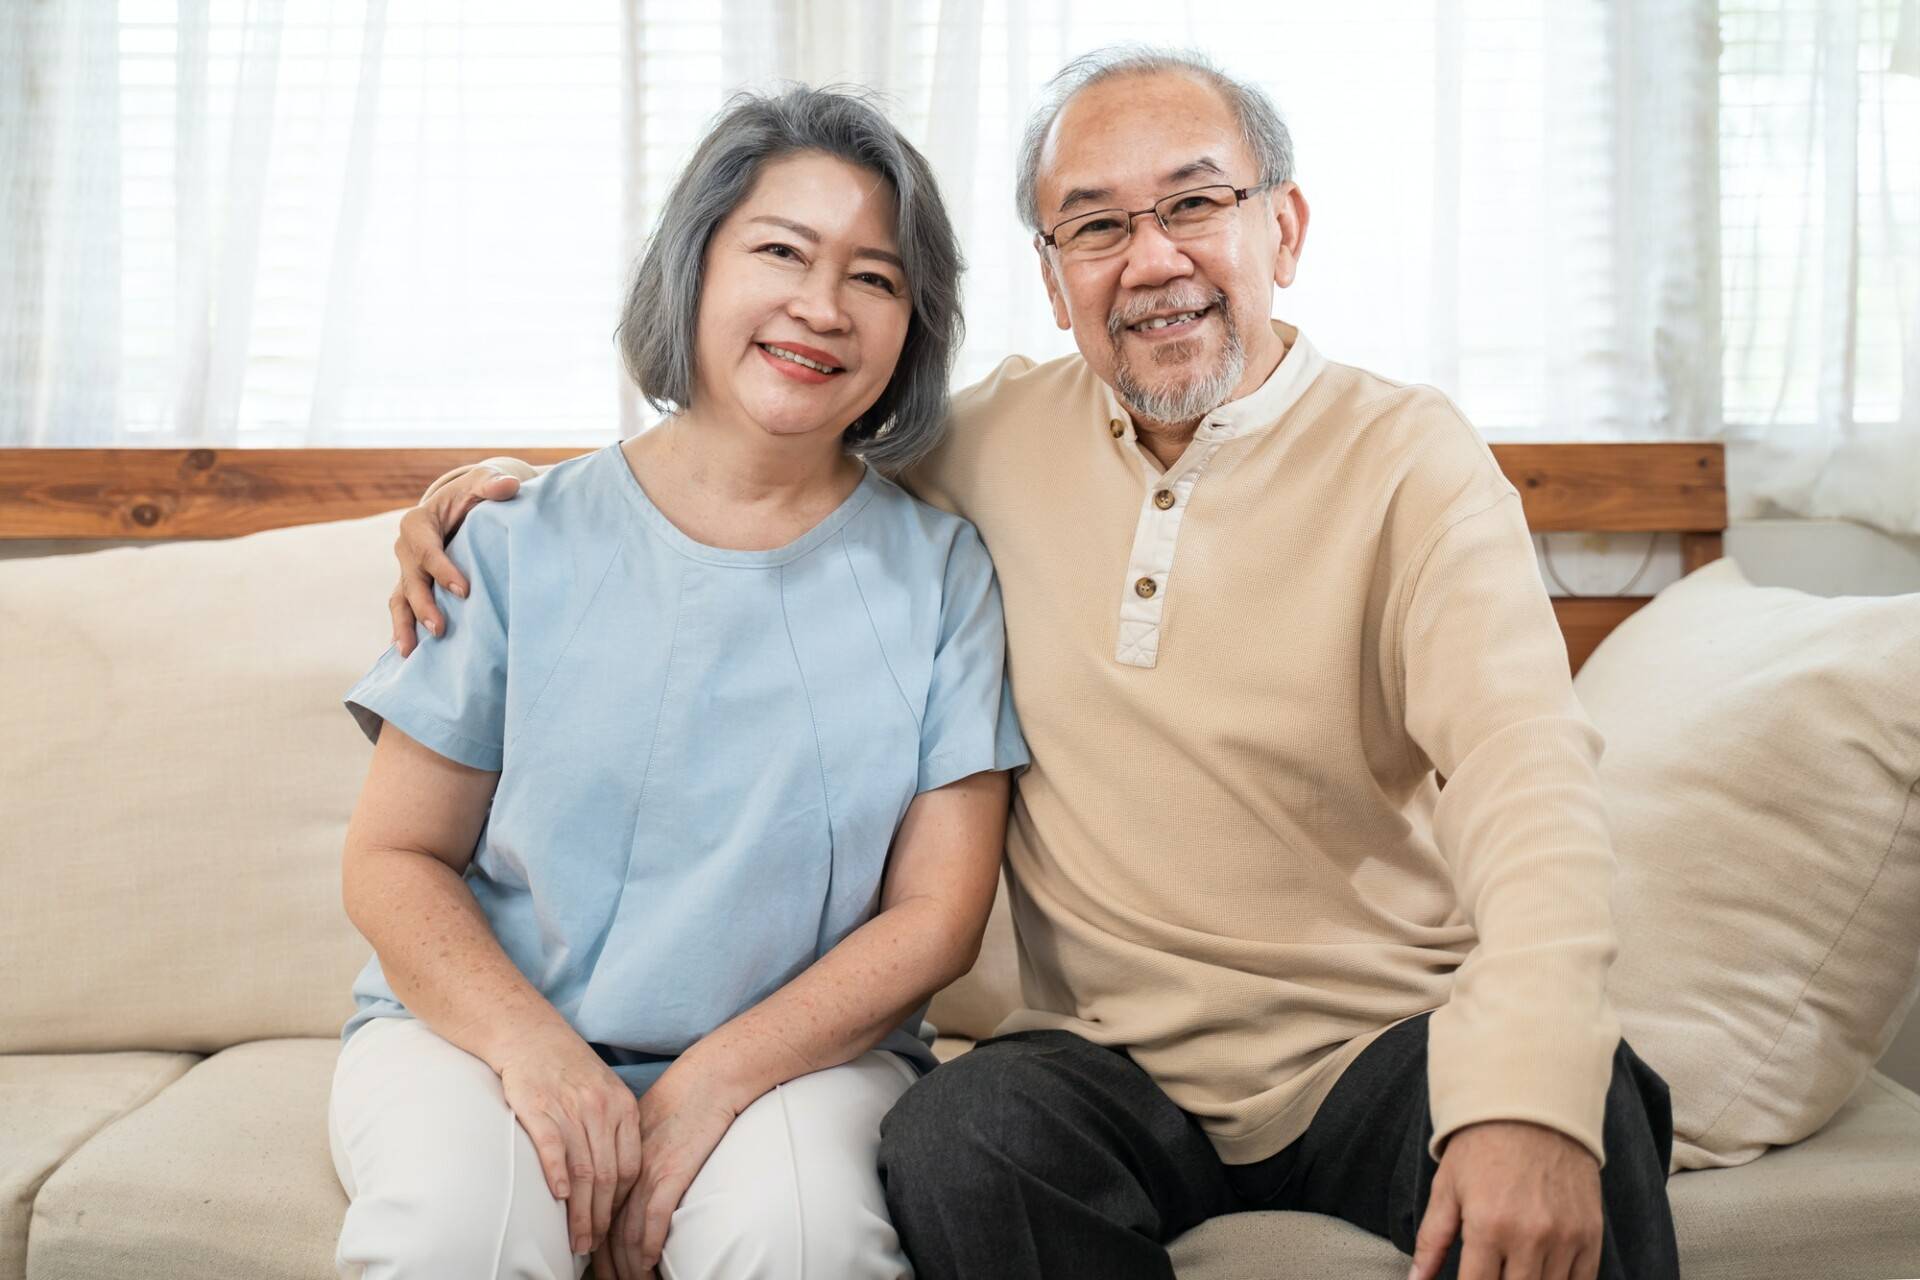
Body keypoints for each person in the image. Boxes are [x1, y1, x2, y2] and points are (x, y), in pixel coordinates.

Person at [392, 48, 1679, 1280]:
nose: (1155, 258)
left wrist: (1526, 1095)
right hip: (1103, 1066)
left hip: (1379, 1045)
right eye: (1097, 225)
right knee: (958, 1140)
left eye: (1196, 202)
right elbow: (763, 441)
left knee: (1591, 1107)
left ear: (1284, 229)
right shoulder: (991, 441)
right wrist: (504, 499)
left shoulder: (1412, 458)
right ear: (1055, 279)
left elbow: (1531, 784)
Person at [329, 86, 1026, 1280]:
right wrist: (538, 1055)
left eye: (876, 277)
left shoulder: (943, 570)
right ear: (693, 263)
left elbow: (937, 915)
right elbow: (393, 858)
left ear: (913, 325)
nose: (822, 304)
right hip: (476, 1037)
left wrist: (708, 1082)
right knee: (456, 1238)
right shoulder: (503, 539)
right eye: (782, 251)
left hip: (799, 1065)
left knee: (803, 1245)